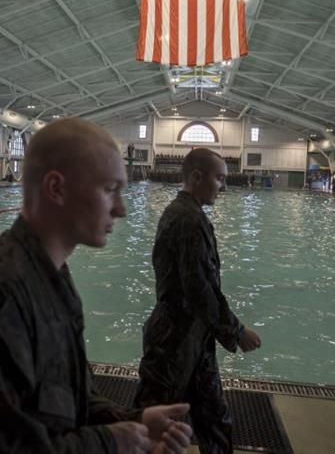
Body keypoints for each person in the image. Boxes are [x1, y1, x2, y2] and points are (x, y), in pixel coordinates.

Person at [0, 118, 193, 453]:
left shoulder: (50, 276)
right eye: (109, 189)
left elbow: (64, 394)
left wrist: (132, 419)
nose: (120, 209)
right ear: (56, 188)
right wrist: (110, 442)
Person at [134, 148, 262, 454]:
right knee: (151, 425)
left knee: (214, 418)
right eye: (219, 178)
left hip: (192, 337)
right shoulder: (188, 220)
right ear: (196, 177)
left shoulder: (186, 213)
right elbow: (200, 289)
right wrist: (236, 330)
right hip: (174, 342)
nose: (224, 186)